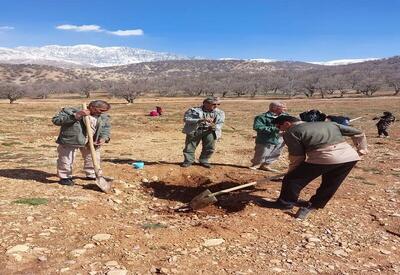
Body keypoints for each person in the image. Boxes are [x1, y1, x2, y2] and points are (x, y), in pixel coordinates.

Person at [271, 115, 368, 220]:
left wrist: (292, 172)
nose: (279, 129)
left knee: (292, 180)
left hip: (325, 157)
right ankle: (314, 205)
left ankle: (285, 203)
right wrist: (362, 149)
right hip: (350, 157)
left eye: (278, 126)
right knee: (331, 183)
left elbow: (297, 157)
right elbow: (358, 133)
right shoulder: (328, 124)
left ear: (286, 123)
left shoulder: (291, 132)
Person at [52, 100, 111, 186]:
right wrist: (77, 115)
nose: (102, 113)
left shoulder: (103, 116)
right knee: (66, 158)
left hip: (91, 141)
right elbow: (56, 121)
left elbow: (105, 128)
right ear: (92, 107)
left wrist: (103, 138)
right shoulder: (70, 111)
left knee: (93, 157)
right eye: (101, 110)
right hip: (71, 139)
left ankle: (92, 175)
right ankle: (65, 177)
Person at [181, 97, 225, 168]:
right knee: (190, 147)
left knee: (209, 147)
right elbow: (186, 119)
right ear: (205, 103)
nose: (216, 106)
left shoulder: (220, 112)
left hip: (210, 131)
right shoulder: (193, 110)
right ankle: (188, 161)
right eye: (213, 104)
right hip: (195, 130)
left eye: (218, 104)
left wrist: (215, 127)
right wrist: (200, 120)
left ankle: (204, 160)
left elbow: (220, 123)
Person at [250, 101, 287, 172]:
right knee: (263, 152)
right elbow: (257, 127)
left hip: (280, 138)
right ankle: (256, 165)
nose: (285, 109)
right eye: (283, 107)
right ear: (274, 108)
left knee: (276, 152)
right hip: (266, 139)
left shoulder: (286, 116)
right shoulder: (261, 117)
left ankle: (266, 165)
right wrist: (275, 129)